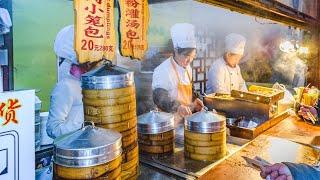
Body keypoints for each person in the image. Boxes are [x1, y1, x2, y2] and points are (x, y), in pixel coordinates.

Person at [46, 25, 101, 139]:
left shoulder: (89, 84)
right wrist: (84, 125)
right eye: (94, 62)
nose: (98, 65)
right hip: (73, 150)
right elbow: (52, 129)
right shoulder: (66, 86)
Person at [152, 23, 204, 124]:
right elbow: (159, 97)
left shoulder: (188, 67)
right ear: (176, 51)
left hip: (186, 120)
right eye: (186, 56)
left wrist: (196, 99)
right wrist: (177, 107)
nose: (189, 60)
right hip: (168, 122)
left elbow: (190, 89)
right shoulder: (163, 70)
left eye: (192, 56)